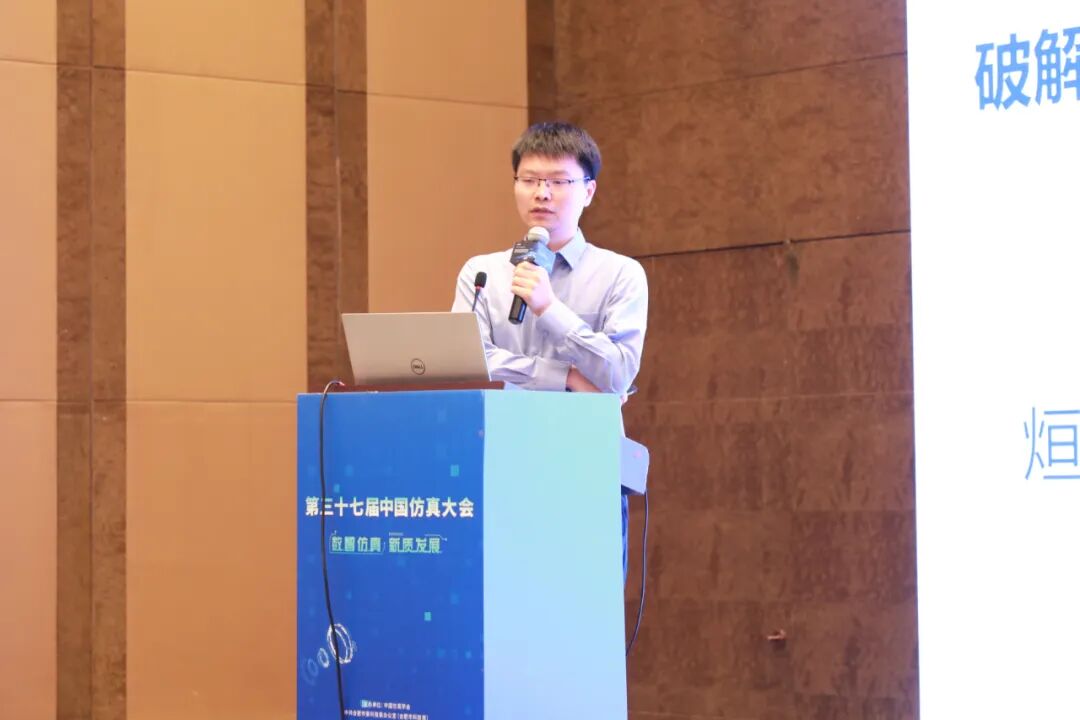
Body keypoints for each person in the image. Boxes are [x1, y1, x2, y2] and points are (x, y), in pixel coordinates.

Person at [450, 121, 648, 574]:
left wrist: (549, 309)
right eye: (530, 180)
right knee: (503, 598)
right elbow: (468, 362)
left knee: (584, 601)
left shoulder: (621, 275)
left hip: (586, 464)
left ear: (589, 191)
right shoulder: (481, 273)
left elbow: (618, 373)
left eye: (558, 181)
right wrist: (567, 377)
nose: (542, 193)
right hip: (499, 461)